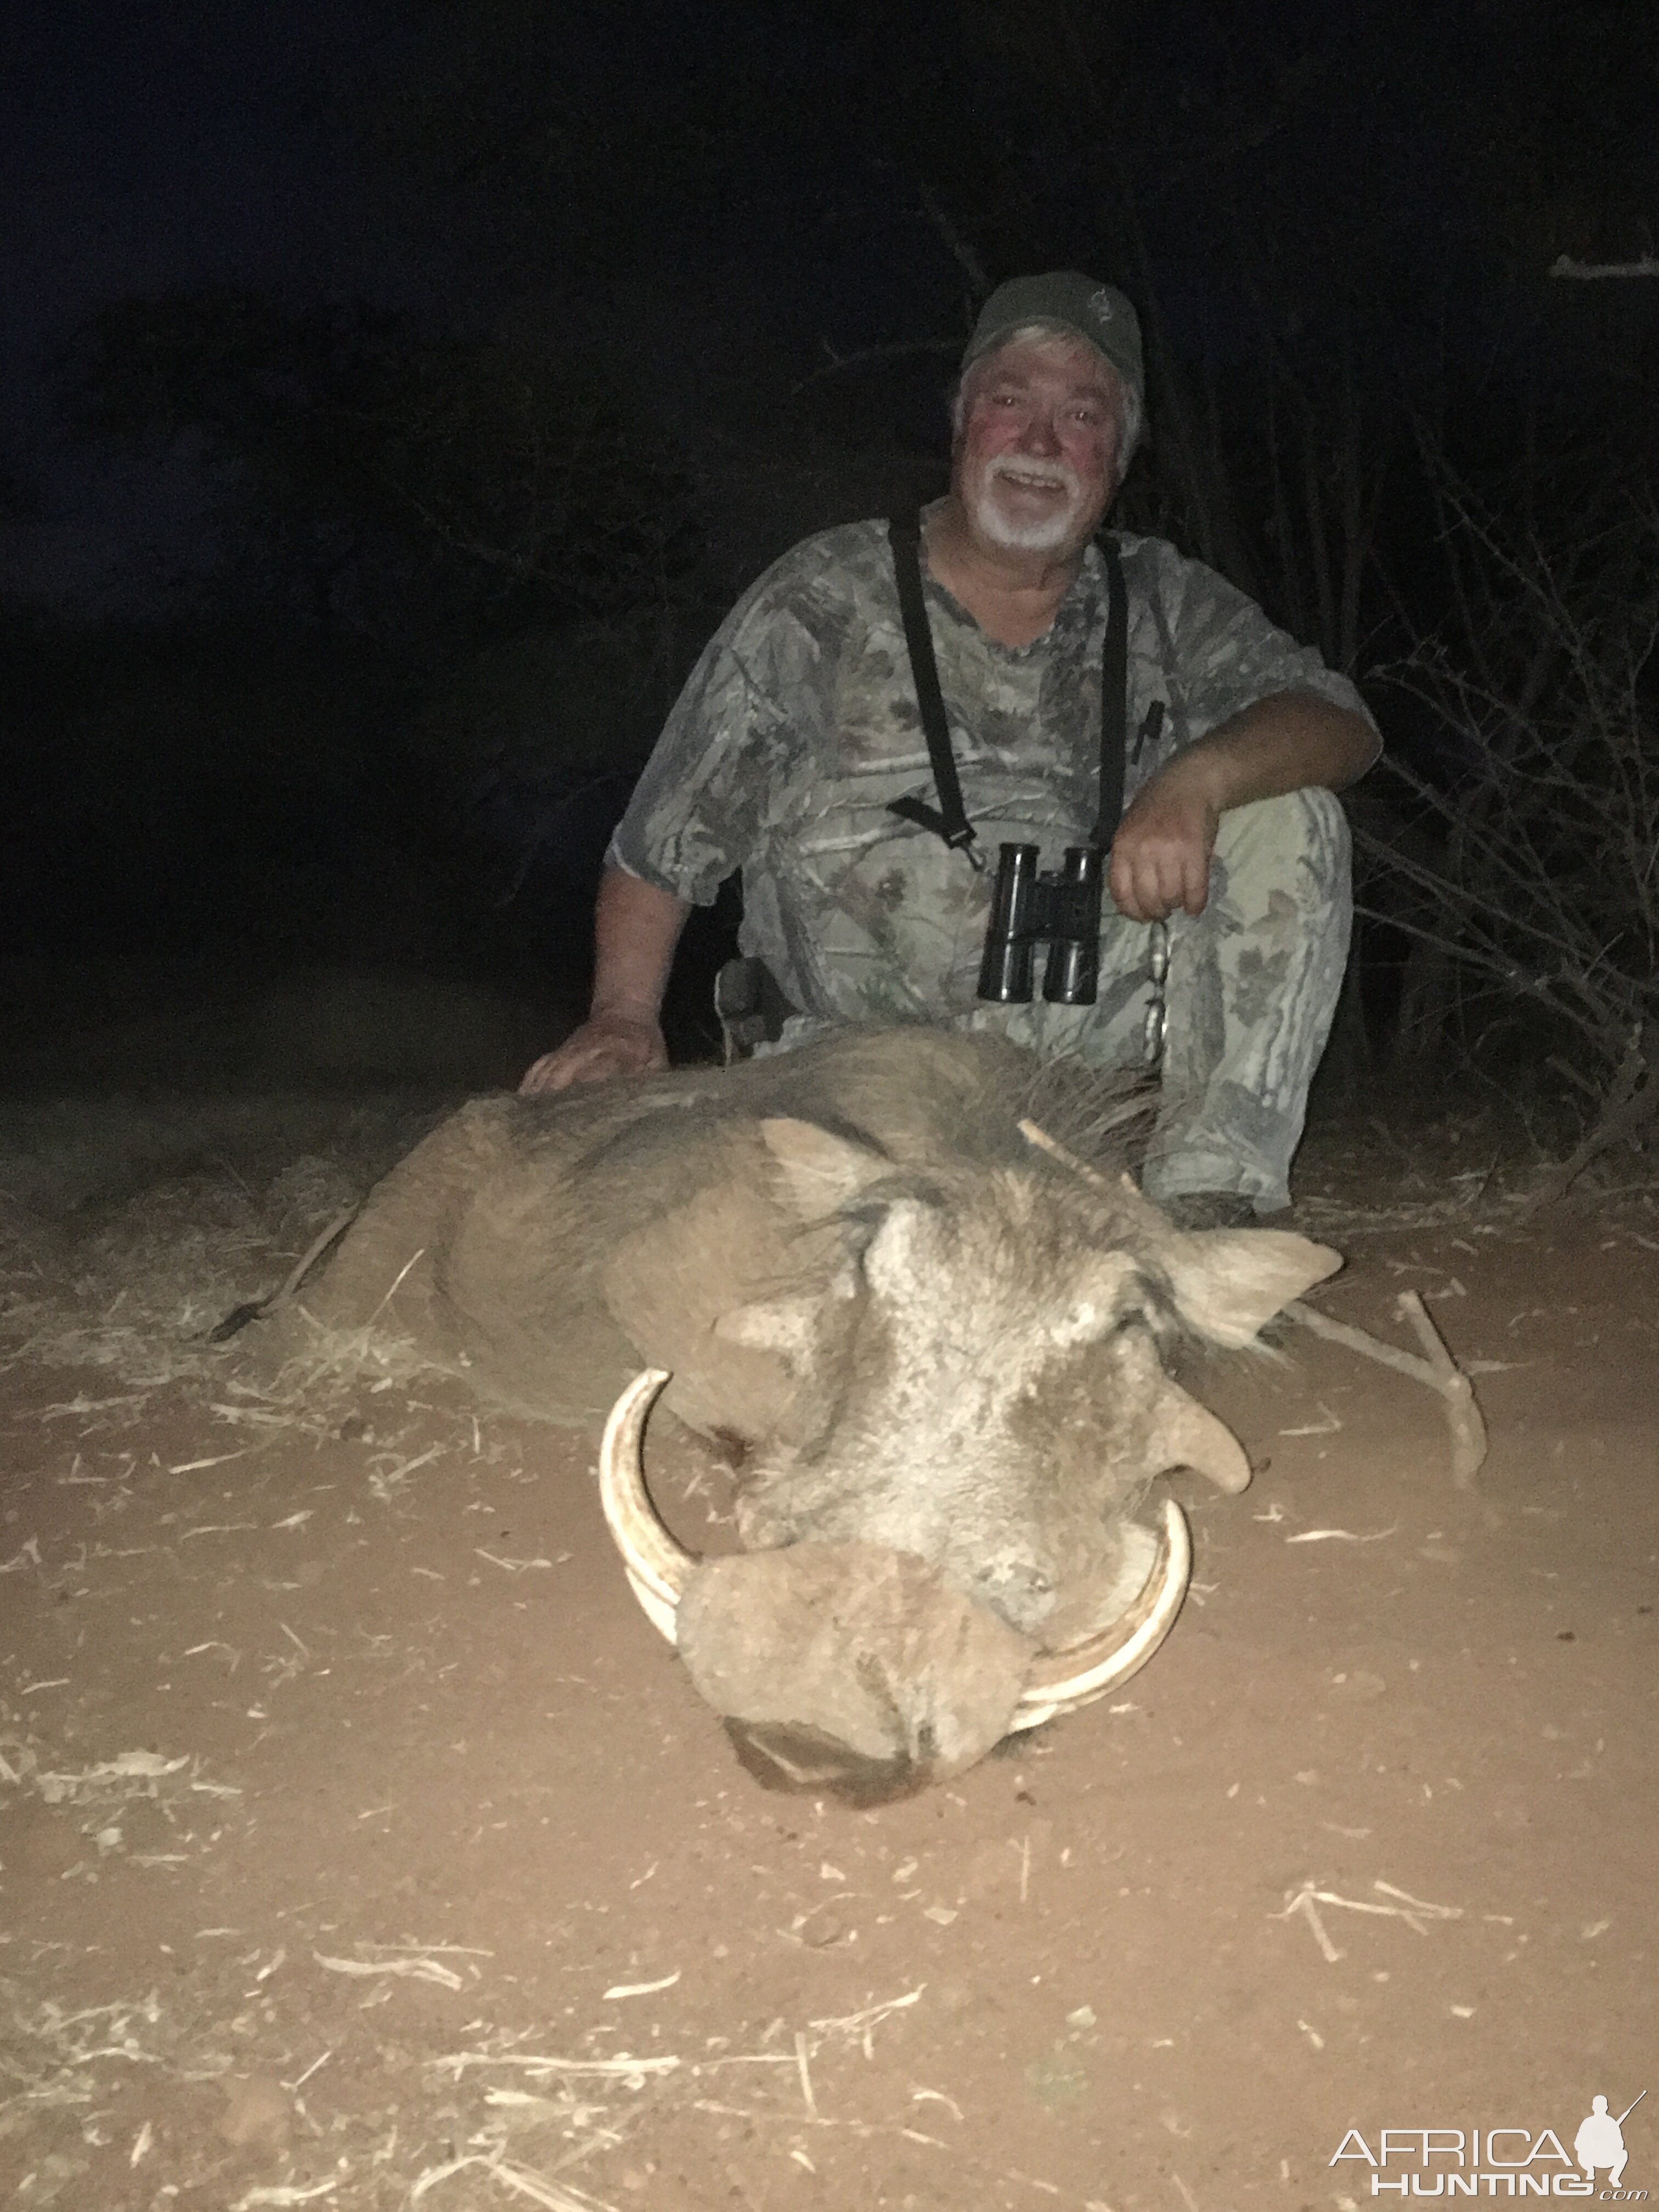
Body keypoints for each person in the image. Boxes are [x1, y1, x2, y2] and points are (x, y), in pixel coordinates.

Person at [520, 270, 1379, 1224]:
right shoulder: (821, 596)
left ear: (1118, 457)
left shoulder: (1168, 602)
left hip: (1092, 1112)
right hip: (851, 1092)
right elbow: (663, 841)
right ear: (964, 422)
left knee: (1289, 803)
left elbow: (1338, 722)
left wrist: (1200, 777)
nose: (1042, 442)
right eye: (1011, 402)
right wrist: (624, 1016)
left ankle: (1210, 1205)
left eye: (1082, 415)